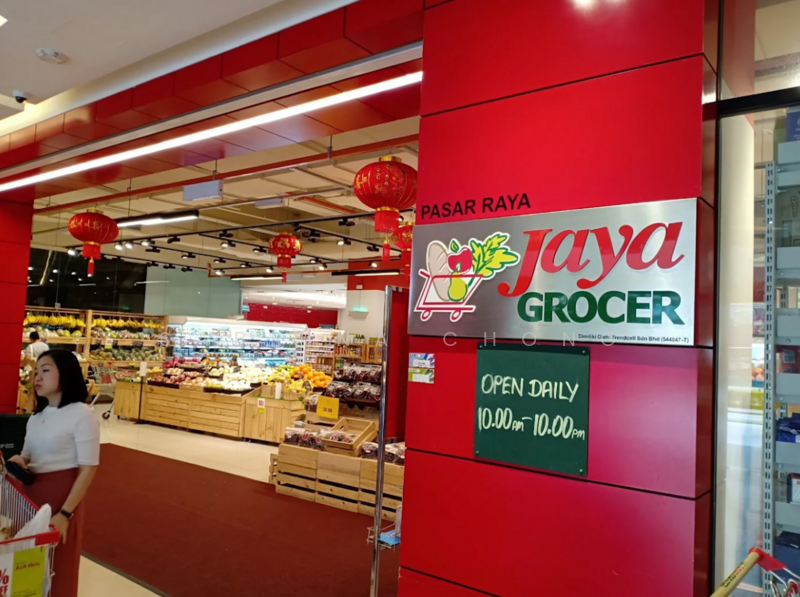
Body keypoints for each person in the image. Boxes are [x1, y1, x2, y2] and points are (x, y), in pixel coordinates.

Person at [8, 350, 100, 597]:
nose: (37, 377)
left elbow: (88, 468)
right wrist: (20, 460)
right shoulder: (37, 416)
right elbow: (28, 453)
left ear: (66, 373)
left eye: (45, 370)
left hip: (61, 497)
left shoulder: (82, 414)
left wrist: (65, 514)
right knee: (28, 562)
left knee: (58, 565)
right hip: (29, 494)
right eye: (36, 371)